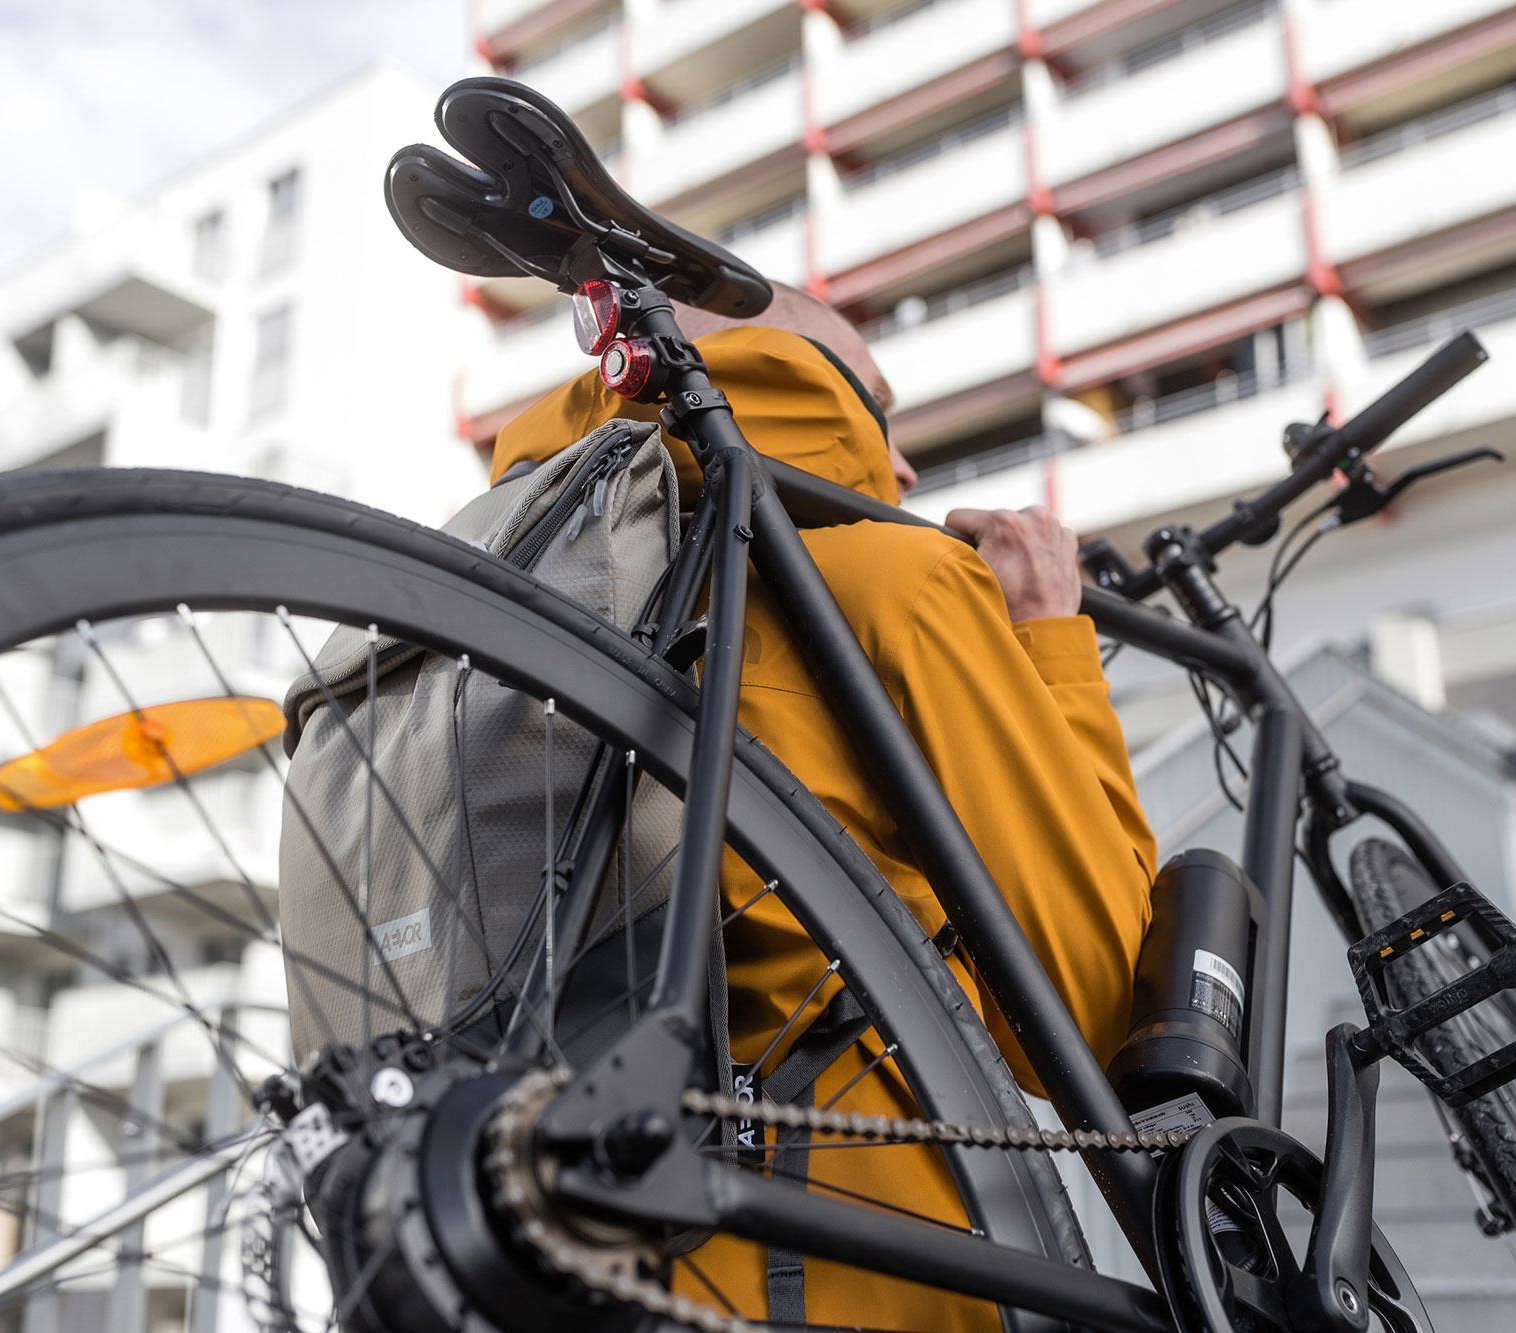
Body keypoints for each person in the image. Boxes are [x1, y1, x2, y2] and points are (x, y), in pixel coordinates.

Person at [489, 284, 1158, 1329]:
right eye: (872, 410)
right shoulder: (893, 583)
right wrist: (1047, 641)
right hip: (851, 1280)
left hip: (538, 1259)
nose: (904, 468)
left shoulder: (502, 631)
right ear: (801, 396)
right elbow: (1088, 1026)